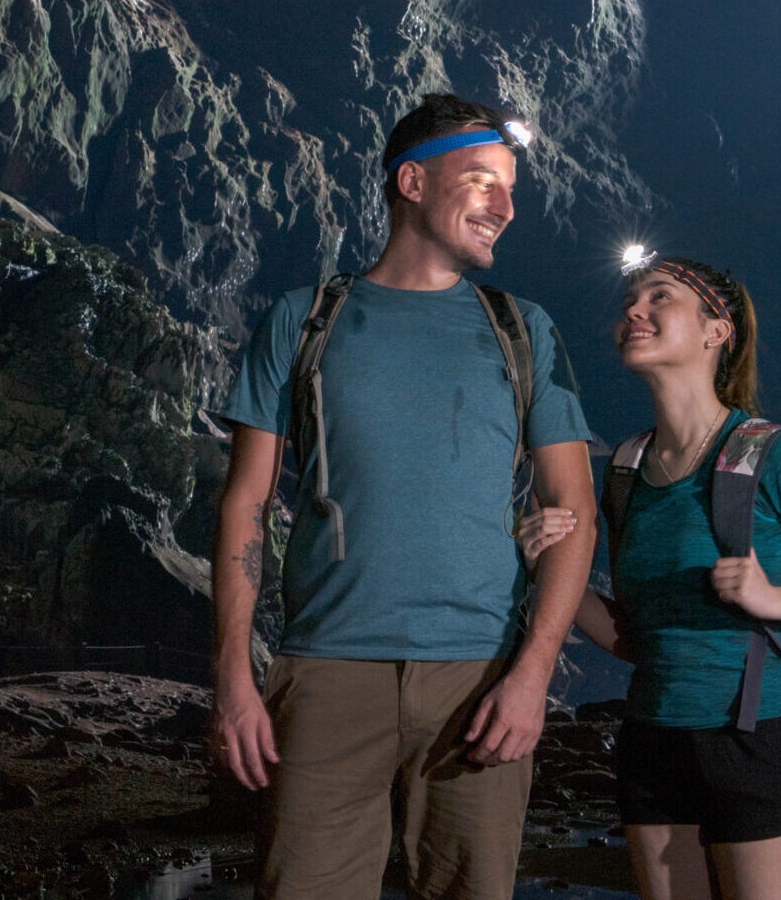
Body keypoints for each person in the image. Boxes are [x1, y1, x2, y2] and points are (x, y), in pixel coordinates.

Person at [208, 93, 599, 900]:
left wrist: (531, 676)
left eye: (513, 190)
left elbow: (575, 511)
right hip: (323, 672)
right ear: (412, 182)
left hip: (480, 680)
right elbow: (246, 505)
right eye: (485, 179)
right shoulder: (306, 320)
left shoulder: (523, 330)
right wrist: (234, 676)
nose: (507, 206)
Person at [558, 254, 781, 900]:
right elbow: (636, 641)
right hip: (653, 748)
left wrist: (770, 597)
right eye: (629, 302)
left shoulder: (771, 456)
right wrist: (544, 571)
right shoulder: (624, 473)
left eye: (658, 297)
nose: (633, 312)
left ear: (715, 332)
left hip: (766, 745)